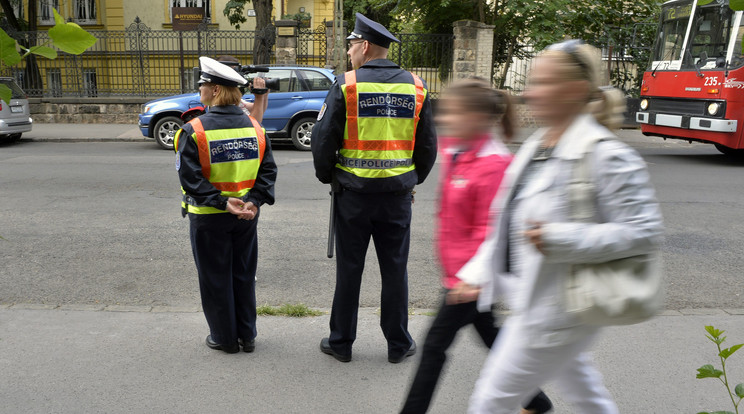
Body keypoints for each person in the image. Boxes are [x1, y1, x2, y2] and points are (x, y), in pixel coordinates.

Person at [449, 40, 663, 413]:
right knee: (588, 398)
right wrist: (477, 272)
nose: (529, 93)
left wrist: (564, 238)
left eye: (543, 83)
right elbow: (506, 220)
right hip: (533, 300)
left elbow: (644, 231)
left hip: (557, 310)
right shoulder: (536, 146)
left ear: (576, 89)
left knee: (489, 403)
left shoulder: (606, 154)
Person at [399, 78, 552, 414]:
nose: (444, 120)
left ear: (479, 118)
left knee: (434, 346)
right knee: (492, 338)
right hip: (459, 273)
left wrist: (472, 278)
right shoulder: (460, 149)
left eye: (454, 113)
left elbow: (494, 230)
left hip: (471, 278)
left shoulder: (495, 164)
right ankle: (537, 402)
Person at [311, 13, 437, 364]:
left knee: (350, 269)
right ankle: (398, 345)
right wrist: (410, 179)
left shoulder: (347, 85)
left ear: (364, 46)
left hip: (353, 196)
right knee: (395, 269)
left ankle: (341, 343)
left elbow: (323, 142)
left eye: (351, 45)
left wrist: (330, 177)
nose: (349, 51)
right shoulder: (416, 86)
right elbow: (427, 147)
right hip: (397, 198)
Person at [174, 56, 277, 354]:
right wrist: (255, 201)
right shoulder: (256, 129)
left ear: (217, 91)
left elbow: (191, 179)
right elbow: (268, 172)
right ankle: (248, 335)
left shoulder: (194, 131)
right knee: (243, 274)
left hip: (208, 217)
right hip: (246, 216)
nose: (200, 89)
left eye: (203, 85)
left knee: (215, 278)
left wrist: (220, 201)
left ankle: (224, 338)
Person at [215, 55, 269, 124]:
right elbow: (254, 124)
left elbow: (258, 109)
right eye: (235, 70)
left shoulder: (231, 97)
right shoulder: (221, 99)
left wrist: (264, 94)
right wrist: (259, 96)